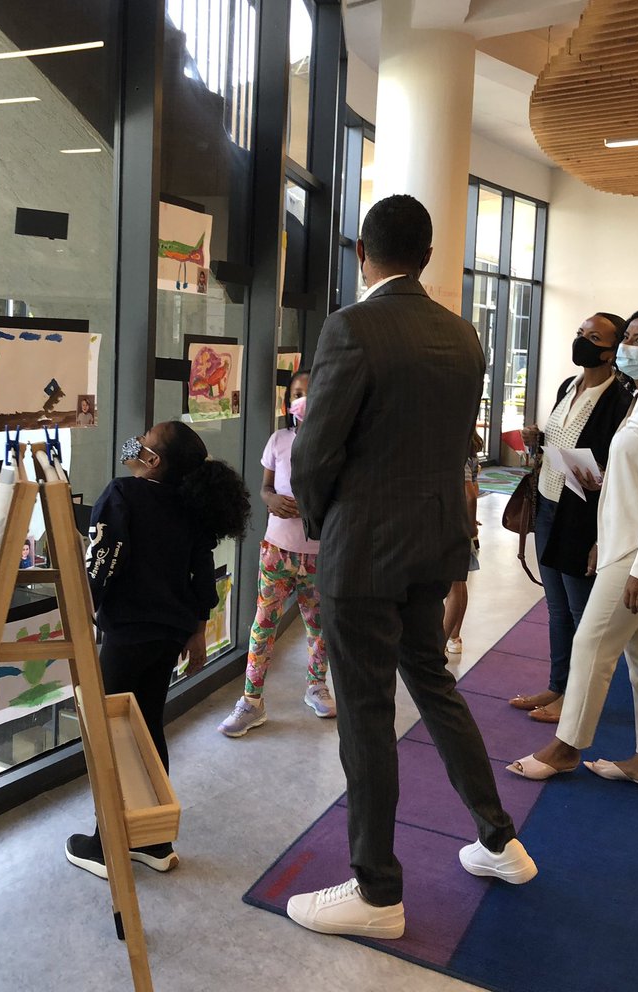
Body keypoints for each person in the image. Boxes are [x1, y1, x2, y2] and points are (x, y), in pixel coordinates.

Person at [286, 195, 536, 942]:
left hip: (364, 549)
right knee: (433, 683)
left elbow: (314, 455)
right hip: (434, 541)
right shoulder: (463, 335)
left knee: (365, 713)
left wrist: (324, 525)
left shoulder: (351, 327)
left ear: (362, 252)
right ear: (426, 257)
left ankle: (377, 890)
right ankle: (500, 840)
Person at [509, 309, 638, 790]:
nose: (628, 348)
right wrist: (605, 537)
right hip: (629, 544)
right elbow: (632, 482)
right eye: (629, 338)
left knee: (591, 644)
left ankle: (565, 749)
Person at [66, 421, 251, 876]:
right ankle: (154, 840)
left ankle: (107, 844)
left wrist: (82, 609)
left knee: (110, 735)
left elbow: (102, 562)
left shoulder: (123, 493)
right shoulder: (190, 504)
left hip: (127, 633)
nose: (135, 442)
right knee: (146, 729)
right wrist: (199, 628)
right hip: (169, 635)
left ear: (154, 460)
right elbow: (202, 573)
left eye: (145, 439)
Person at [508, 313, 631, 723]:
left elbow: (617, 464)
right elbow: (562, 444)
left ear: (612, 351)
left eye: (593, 338)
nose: (582, 342)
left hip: (583, 515)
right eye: (580, 334)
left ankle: (578, 700)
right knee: (557, 608)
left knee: (582, 613)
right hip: (548, 505)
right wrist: (538, 440)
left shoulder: (620, 400)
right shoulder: (567, 385)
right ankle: (557, 686)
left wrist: (601, 533)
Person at [217, 371, 335, 737]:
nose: (304, 400)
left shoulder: (336, 444)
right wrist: (271, 500)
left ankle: (316, 685)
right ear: (288, 403)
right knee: (263, 625)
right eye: (297, 394)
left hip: (318, 553)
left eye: (312, 393)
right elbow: (265, 488)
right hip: (277, 550)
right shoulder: (278, 440)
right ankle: (251, 700)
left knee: (319, 626)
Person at [443, 431, 483, 656]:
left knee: (454, 586)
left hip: (454, 524)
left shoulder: (457, 451)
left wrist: (471, 528)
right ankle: (454, 636)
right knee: (459, 582)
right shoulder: (471, 450)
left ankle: (441, 642)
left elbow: (470, 494)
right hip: (461, 523)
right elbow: (474, 489)